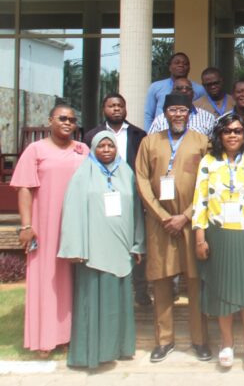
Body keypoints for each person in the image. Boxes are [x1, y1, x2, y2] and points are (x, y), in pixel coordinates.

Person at [191, 113, 244, 368]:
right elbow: (200, 200)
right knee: (222, 292)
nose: (232, 135)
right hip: (219, 234)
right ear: (219, 135)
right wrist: (199, 237)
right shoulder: (209, 161)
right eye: (227, 131)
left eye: (237, 131)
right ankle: (227, 343)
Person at [58, 131, 145, 368]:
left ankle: (119, 347)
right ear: (93, 149)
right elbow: (72, 211)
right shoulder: (83, 174)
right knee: (93, 301)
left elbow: (137, 211)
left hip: (121, 248)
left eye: (111, 146)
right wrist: (75, 247)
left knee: (117, 302)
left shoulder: (126, 172)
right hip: (93, 250)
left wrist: (138, 244)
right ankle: (92, 352)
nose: (106, 150)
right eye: (101, 146)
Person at [135, 94, 211, 363]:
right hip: (160, 225)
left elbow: (209, 182)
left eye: (182, 110)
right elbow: (142, 180)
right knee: (161, 281)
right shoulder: (149, 142)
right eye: (173, 110)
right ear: (165, 113)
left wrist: (186, 216)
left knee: (196, 283)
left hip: (192, 223)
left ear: (190, 113)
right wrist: (163, 216)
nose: (178, 114)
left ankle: (200, 340)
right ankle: (164, 340)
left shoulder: (202, 142)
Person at [11, 104, 88, 356]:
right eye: (62, 118)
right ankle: (44, 338)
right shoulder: (35, 150)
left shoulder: (83, 150)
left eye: (72, 120)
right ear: (50, 121)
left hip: (75, 225)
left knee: (71, 280)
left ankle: (67, 335)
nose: (67, 123)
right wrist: (26, 225)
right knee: (45, 278)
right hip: (44, 225)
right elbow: (24, 188)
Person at [83, 93, 150, 306]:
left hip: (131, 193)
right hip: (102, 196)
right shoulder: (91, 136)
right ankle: (108, 288)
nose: (116, 109)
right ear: (104, 109)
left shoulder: (139, 135)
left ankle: (140, 290)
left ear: (125, 108)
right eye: (111, 105)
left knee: (136, 239)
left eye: (120, 105)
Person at [144, 52, 205, 131]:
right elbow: (148, 115)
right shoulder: (155, 87)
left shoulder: (199, 89)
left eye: (185, 64)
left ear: (189, 68)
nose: (181, 65)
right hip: (161, 131)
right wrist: (149, 134)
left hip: (191, 131)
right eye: (177, 63)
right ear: (170, 67)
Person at [148, 77, 217, 137]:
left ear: (193, 93)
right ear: (172, 92)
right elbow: (151, 143)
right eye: (179, 88)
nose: (184, 91)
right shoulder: (160, 120)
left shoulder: (208, 117)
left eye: (188, 88)